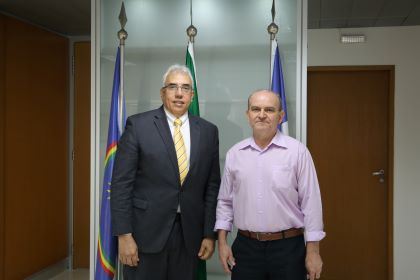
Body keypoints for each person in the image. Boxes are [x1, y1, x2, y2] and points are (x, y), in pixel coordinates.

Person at [111, 64, 221, 280]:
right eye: (173, 87)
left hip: (190, 237)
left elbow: (212, 186)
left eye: (185, 88)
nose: (179, 93)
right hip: (144, 236)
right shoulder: (138, 125)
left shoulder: (208, 131)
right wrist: (124, 235)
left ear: (192, 95)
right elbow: (121, 184)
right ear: (163, 93)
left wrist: (209, 234)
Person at [215, 90, 325, 280]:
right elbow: (225, 201)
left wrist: (313, 251)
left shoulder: (297, 152)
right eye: (256, 109)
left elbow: (311, 203)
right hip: (246, 249)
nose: (262, 115)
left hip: (288, 249)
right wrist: (222, 242)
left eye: (270, 110)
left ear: (280, 116)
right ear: (248, 115)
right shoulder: (235, 154)